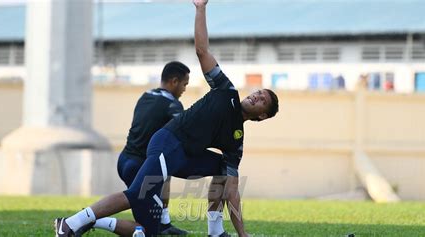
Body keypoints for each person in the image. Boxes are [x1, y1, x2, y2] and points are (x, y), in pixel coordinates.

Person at [54, 0, 279, 236]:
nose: (256, 96)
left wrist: (242, 234)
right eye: (258, 92)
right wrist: (200, 8)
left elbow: (232, 191)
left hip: (182, 158)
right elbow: (202, 50)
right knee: (135, 195)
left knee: (150, 231)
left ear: (262, 116)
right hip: (167, 143)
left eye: (262, 99)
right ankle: (70, 223)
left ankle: (215, 231)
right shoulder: (226, 91)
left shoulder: (236, 140)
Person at [89, 61, 190, 236]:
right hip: (139, 167)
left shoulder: (146, 95)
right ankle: (88, 220)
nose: (184, 89)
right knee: (146, 231)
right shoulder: (173, 105)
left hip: (125, 160)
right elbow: (185, 134)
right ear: (174, 81)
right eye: (184, 84)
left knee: (166, 170)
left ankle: (164, 224)